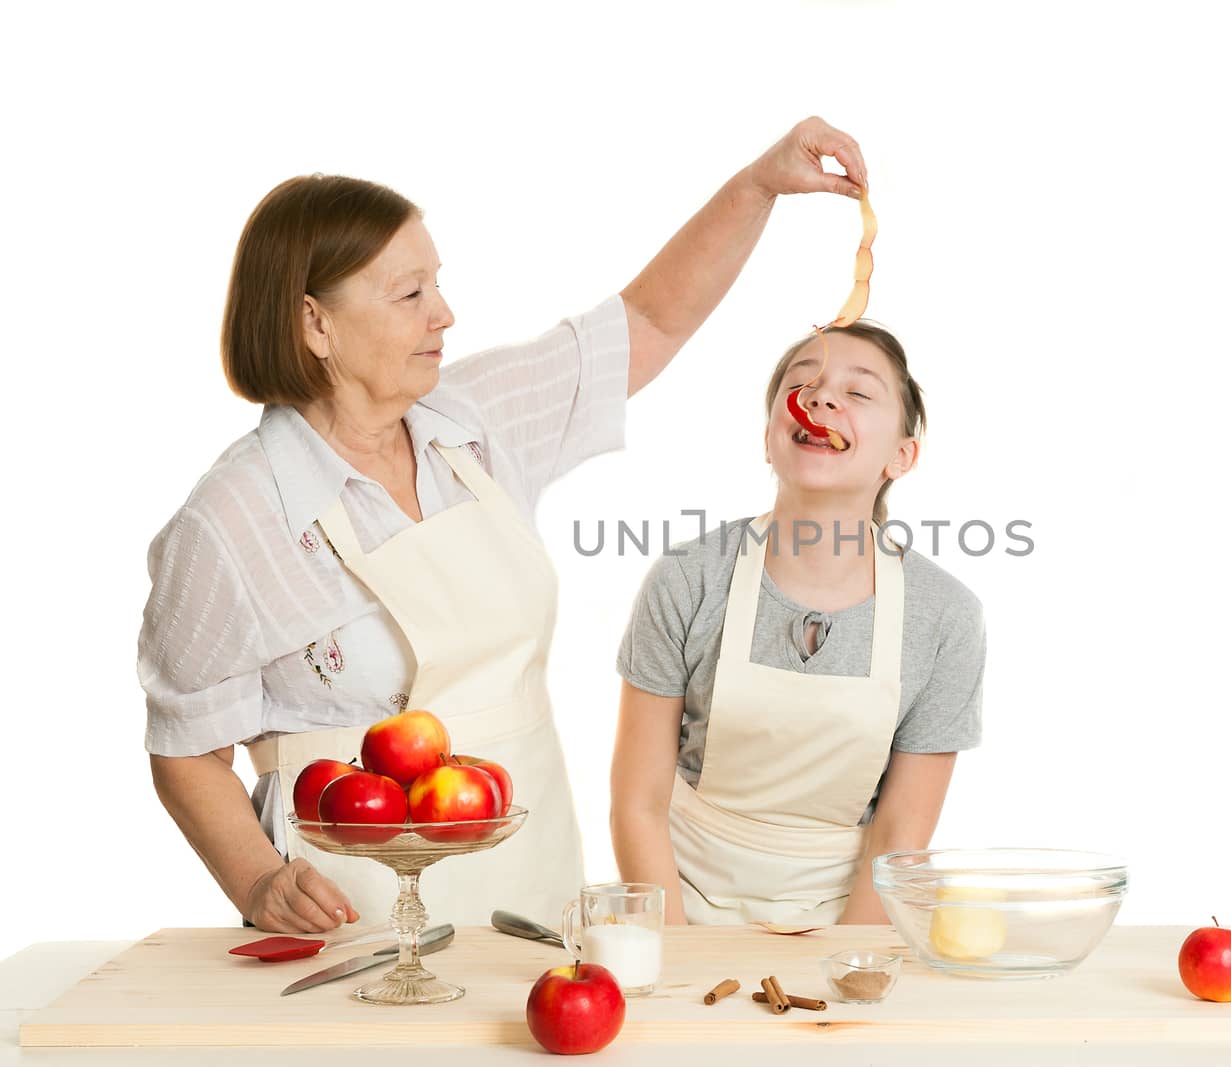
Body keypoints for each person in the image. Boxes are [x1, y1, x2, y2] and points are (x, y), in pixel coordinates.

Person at [140, 117, 869, 933]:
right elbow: (186, 743)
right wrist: (258, 883)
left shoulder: (475, 422)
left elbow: (650, 323)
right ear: (316, 324)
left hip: (530, 880)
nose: (444, 313)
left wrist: (758, 185)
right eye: (409, 293)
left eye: (437, 284)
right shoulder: (229, 521)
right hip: (353, 910)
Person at [610, 322, 985, 924]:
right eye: (802, 384)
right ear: (769, 438)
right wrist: (677, 954)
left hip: (852, 916)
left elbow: (900, 832)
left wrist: (849, 967)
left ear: (902, 454)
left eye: (859, 394)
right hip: (679, 904)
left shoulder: (944, 617)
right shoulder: (688, 579)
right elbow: (639, 803)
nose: (820, 398)